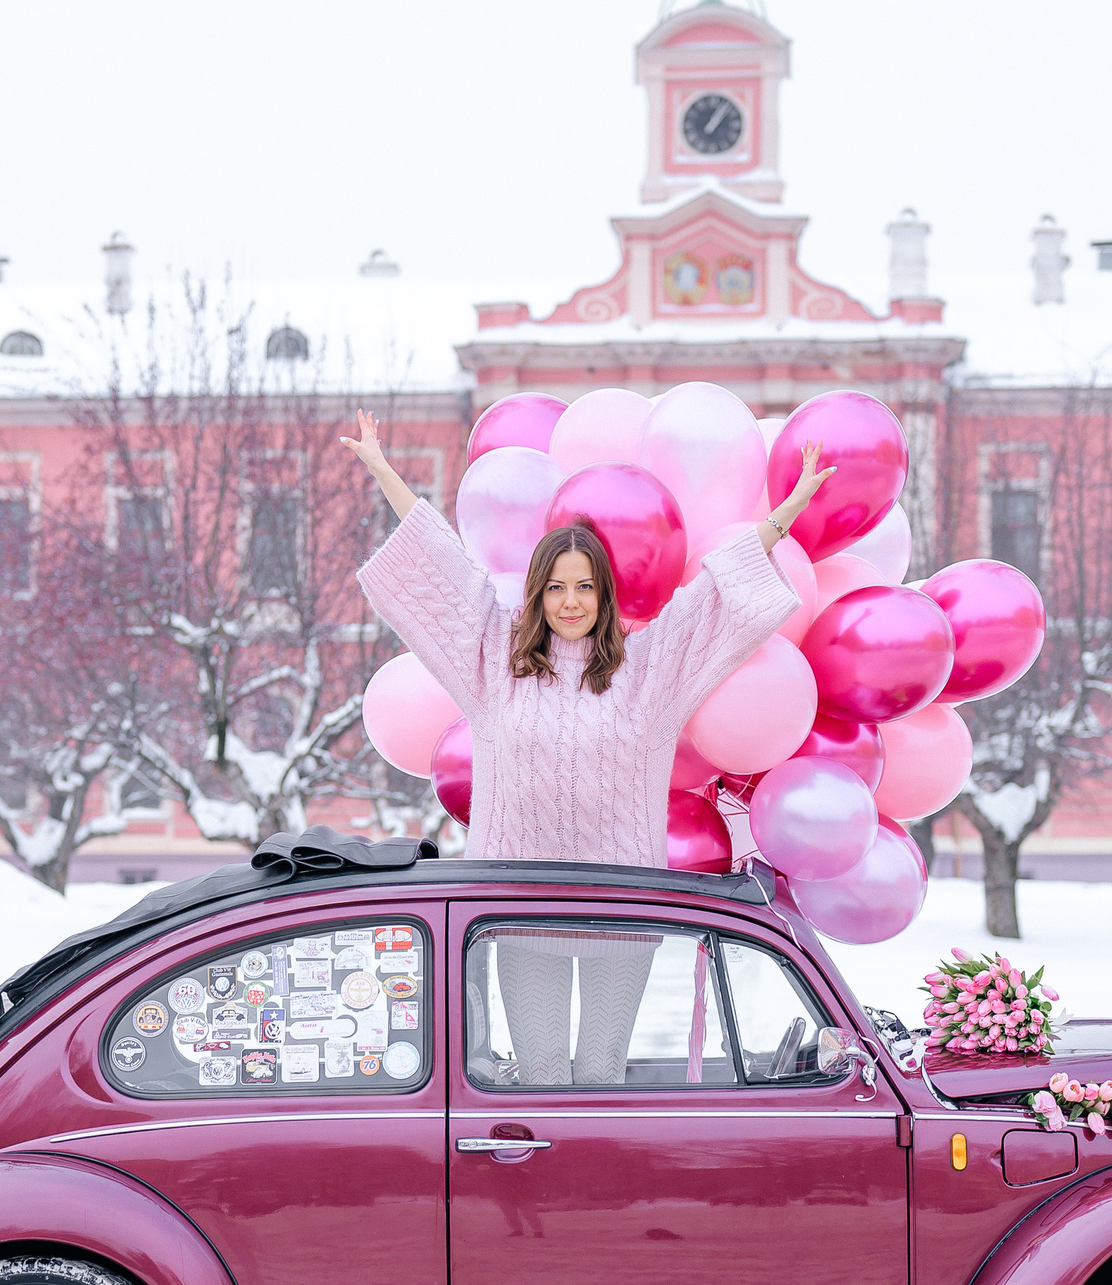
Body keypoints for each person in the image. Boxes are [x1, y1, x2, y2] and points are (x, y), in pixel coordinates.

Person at [341, 408, 836, 1087]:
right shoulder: (492, 665)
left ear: (603, 593)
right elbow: (444, 571)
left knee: (603, 1076)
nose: (570, 601)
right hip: (517, 910)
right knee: (540, 1074)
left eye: (584, 586)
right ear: (538, 593)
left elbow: (712, 599)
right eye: (555, 586)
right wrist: (383, 470)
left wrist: (786, 513)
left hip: (620, 911)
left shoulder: (649, 671)